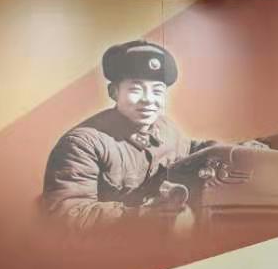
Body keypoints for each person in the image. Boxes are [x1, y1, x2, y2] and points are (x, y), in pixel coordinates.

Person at [42, 41, 214, 228]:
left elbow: (191, 149)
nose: (149, 100)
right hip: (110, 245)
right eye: (136, 89)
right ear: (113, 92)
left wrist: (229, 151)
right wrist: (143, 215)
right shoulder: (82, 144)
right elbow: (67, 214)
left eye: (157, 91)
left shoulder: (166, 127)